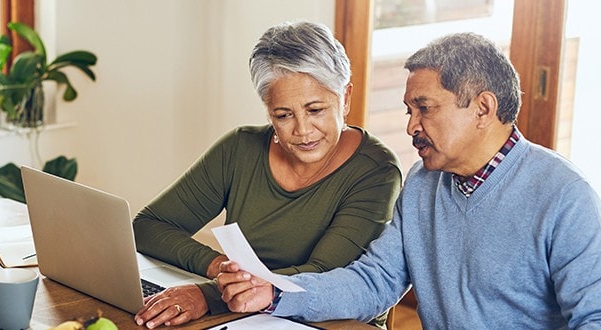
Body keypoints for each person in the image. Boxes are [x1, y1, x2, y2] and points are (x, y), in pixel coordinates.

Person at [217, 32, 601, 328]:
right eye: (408, 111)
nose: (411, 126)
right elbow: (375, 281)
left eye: (424, 108)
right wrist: (275, 294)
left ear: (483, 109)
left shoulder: (564, 196)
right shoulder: (422, 183)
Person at [131, 21, 403, 329]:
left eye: (316, 110)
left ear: (345, 98)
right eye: (283, 115)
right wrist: (222, 269)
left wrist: (209, 296)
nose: (302, 131)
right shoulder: (240, 148)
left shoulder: (375, 170)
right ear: (267, 109)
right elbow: (148, 226)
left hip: (330, 322)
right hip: (242, 315)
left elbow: (325, 274)